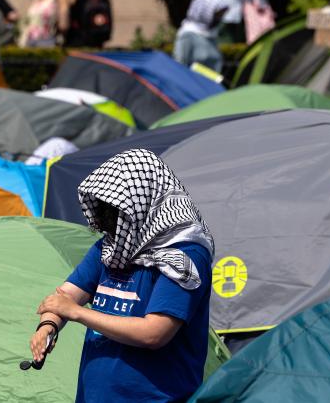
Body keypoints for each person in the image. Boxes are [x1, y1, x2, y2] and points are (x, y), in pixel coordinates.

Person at [29, 149, 213, 403]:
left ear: (142, 204)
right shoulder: (112, 247)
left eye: (114, 210)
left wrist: (77, 312)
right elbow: (64, 296)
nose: (107, 219)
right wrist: (47, 326)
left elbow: (154, 333)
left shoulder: (183, 256)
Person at [173, 0, 228, 73]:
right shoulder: (187, 35)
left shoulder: (211, 35)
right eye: (217, 14)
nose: (220, 18)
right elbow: (180, 65)